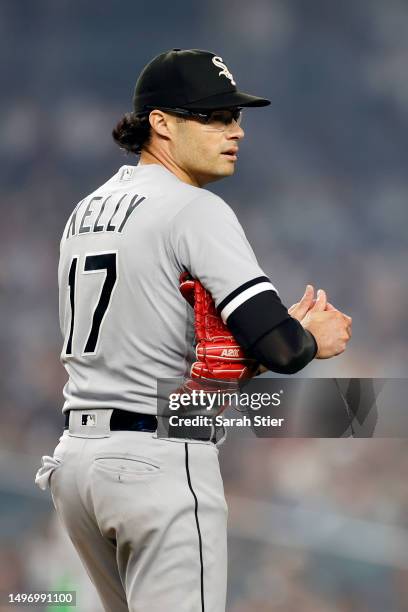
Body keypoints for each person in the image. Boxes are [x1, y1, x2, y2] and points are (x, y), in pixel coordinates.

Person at [35, 49, 351, 612]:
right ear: (160, 123)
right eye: (213, 117)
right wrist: (310, 337)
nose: (235, 131)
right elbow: (280, 348)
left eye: (236, 117)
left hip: (76, 464)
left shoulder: (85, 210)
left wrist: (250, 352)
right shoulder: (193, 209)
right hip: (158, 460)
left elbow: (158, 347)